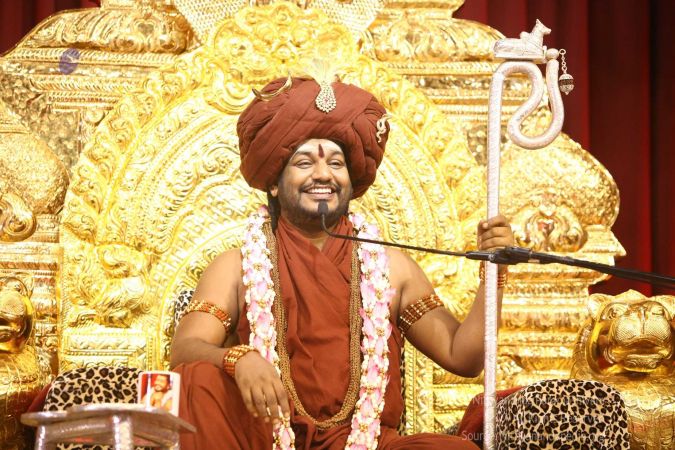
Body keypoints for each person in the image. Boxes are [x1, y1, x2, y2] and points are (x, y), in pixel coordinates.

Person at [170, 75, 513, 449]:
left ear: (350, 181)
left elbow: (463, 357)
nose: (323, 174)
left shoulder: (392, 269)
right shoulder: (234, 267)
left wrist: (493, 272)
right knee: (199, 380)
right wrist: (239, 359)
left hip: (368, 443)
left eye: (336, 163)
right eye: (304, 162)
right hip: (264, 440)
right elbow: (185, 350)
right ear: (274, 183)